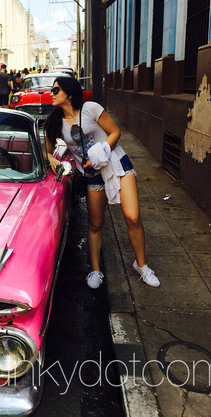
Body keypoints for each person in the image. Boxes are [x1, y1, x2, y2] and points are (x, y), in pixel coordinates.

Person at [44, 76, 160, 290]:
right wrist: (50, 157)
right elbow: (47, 147)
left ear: (69, 93)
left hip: (116, 163)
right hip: (91, 175)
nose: (51, 93)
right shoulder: (56, 122)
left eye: (56, 89)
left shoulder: (90, 108)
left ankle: (141, 266)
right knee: (96, 224)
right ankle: (96, 271)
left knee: (133, 217)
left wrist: (99, 152)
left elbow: (115, 132)